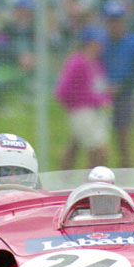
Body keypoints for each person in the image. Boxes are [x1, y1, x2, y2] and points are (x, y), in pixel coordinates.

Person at [54, 26, 112, 169]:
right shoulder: (78, 61)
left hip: (94, 112)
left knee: (75, 149)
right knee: (100, 150)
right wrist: (90, 101)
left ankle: (69, 181)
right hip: (81, 111)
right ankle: (91, 183)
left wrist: (104, 99)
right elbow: (63, 90)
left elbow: (100, 87)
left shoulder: (96, 63)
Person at [102, 0, 134, 168]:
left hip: (124, 97)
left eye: (117, 20)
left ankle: (127, 182)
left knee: (124, 143)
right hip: (100, 97)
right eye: (111, 21)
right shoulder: (100, 43)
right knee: (97, 145)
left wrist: (121, 86)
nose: (114, 25)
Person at [0, 0, 36, 103]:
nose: (23, 13)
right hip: (5, 68)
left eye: (27, 10)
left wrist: (32, 59)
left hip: (28, 70)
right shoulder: (5, 28)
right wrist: (19, 57)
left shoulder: (34, 30)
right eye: (20, 10)